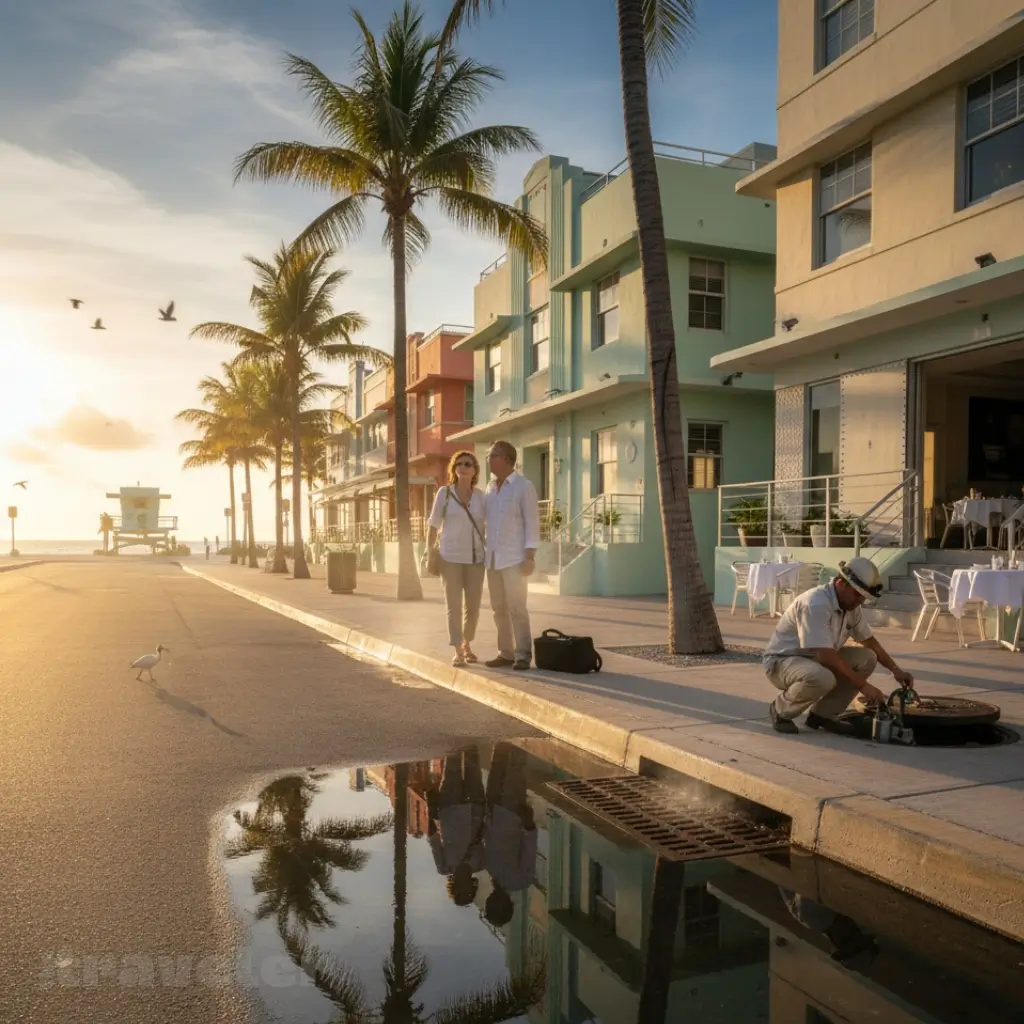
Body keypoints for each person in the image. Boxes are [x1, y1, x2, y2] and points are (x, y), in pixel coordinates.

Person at [764, 557, 914, 735]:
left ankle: (823, 714)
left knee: (868, 657)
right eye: (857, 594)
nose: (860, 601)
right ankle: (781, 710)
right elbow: (825, 656)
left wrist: (895, 669)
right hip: (782, 662)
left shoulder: (851, 606)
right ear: (841, 583)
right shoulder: (815, 603)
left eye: (864, 597)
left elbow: (870, 642)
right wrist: (863, 686)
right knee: (822, 677)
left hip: (814, 661)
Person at [425, 450, 487, 667]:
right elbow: (433, 524)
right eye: (459, 463)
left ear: (475, 470)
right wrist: (428, 551)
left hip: (476, 559)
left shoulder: (481, 497)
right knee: (454, 606)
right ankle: (458, 650)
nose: (463, 466)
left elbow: (491, 525)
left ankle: (467, 643)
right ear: (453, 469)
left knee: (474, 606)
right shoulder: (444, 493)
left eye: (468, 464)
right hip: (449, 557)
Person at [482, 441, 540, 670]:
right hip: (493, 558)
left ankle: (523, 654)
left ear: (506, 459)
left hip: (514, 558)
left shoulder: (523, 486)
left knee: (517, 608)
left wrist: (530, 556)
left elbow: (532, 523)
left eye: (492, 455)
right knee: (498, 609)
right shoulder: (489, 488)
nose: (488, 459)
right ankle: (505, 652)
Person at [482, 742, 537, 927]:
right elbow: (529, 850)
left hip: (492, 809)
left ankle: (504, 731)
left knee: (497, 763)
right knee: (516, 766)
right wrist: (528, 822)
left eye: (489, 907)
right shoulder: (520, 881)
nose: (491, 903)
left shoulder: (490, 872)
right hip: (512, 813)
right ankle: (521, 733)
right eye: (495, 908)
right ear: (506, 906)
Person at [427, 749, 485, 907]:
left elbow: (433, 840)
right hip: (475, 808)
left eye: (460, 893)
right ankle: (472, 733)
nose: (464, 889)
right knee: (473, 764)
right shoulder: (481, 864)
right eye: (469, 893)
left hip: (449, 808)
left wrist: (430, 809)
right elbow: (488, 837)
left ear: (454, 890)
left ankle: (453, 733)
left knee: (451, 765)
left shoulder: (444, 867)